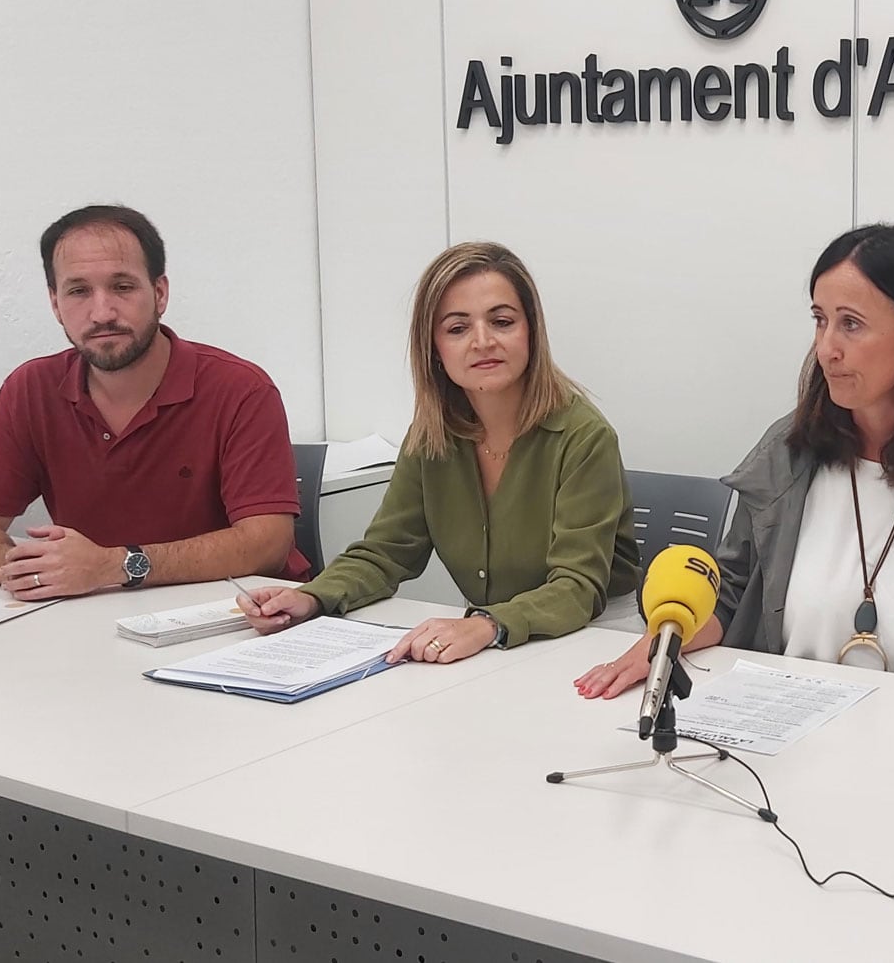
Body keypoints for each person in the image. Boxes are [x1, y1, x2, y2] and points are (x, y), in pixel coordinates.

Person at [576, 224, 894, 711]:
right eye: (820, 320)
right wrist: (662, 641)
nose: (827, 349)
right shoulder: (785, 457)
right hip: (782, 732)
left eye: (851, 324)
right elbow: (733, 594)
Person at [239, 242, 639, 664]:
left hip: (596, 637)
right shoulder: (433, 435)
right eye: (457, 328)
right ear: (434, 347)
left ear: (532, 332)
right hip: (490, 636)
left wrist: (485, 626)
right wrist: (311, 598)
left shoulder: (583, 435)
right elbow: (387, 553)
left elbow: (577, 587)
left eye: (502, 321)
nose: (482, 342)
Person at [0, 204, 305, 599]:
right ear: (55, 304)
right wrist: (36, 574)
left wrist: (113, 566)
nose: (102, 312)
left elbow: (268, 543)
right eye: (78, 291)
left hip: (238, 614)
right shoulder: (31, 389)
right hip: (96, 616)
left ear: (159, 293)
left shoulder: (240, 388)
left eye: (122, 287)